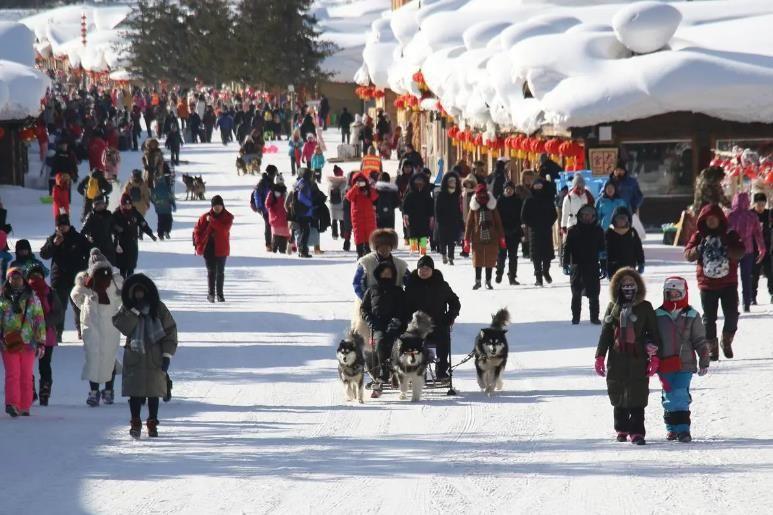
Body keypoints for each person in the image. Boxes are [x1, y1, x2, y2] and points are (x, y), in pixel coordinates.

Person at [594, 267, 661, 445]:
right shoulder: (612, 307)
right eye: (624, 285)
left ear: (638, 286)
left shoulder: (645, 307)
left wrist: (655, 357)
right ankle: (621, 428)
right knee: (618, 393)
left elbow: (654, 333)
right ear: (617, 287)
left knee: (638, 394)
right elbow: (606, 334)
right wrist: (600, 356)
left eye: (631, 284)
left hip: (638, 357)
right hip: (616, 358)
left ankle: (637, 432)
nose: (628, 288)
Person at [112, 273, 178, 438]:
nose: (139, 296)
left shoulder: (158, 308)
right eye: (136, 293)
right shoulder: (127, 309)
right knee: (134, 393)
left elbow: (170, 330)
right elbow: (122, 326)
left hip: (155, 356)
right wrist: (134, 311)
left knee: (154, 392)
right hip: (135, 355)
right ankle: (135, 422)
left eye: (142, 293)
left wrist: (167, 355)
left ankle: (152, 422)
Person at [684, 204, 745, 361]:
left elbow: (741, 251)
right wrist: (699, 249)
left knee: (732, 315)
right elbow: (688, 254)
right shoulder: (699, 236)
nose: (711, 221)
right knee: (709, 319)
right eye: (707, 219)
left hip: (728, 283)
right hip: (707, 284)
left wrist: (727, 248)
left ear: (720, 219)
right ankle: (712, 348)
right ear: (703, 220)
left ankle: (726, 340)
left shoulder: (729, 234)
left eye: (714, 218)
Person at [654, 276, 710, 443]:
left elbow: (700, 339)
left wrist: (704, 359)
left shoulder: (692, 315)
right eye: (669, 294)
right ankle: (671, 428)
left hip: (685, 363)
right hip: (664, 363)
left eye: (677, 293)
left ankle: (683, 430)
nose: (673, 297)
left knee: (680, 394)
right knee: (669, 396)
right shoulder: (657, 315)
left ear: (684, 293)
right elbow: (650, 337)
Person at [70, 249, 123, 407]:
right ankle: (106, 391)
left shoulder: (89, 281)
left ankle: (97, 392)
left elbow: (75, 296)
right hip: (100, 325)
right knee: (103, 357)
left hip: (96, 324)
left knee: (99, 358)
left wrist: (84, 309)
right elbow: (124, 298)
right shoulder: (112, 280)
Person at [404, 255, 460, 380]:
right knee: (414, 343)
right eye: (421, 268)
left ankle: (441, 370)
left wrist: (450, 316)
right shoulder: (411, 286)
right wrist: (407, 320)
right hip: (416, 326)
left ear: (432, 270)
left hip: (437, 324)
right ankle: (419, 371)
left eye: (427, 269)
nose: (423, 271)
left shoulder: (441, 285)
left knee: (443, 338)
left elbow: (455, 302)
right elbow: (403, 306)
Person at [1, 267, 46, 417]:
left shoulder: (32, 297)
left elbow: (39, 319)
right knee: (12, 374)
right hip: (8, 341)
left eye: (18, 277)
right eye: (13, 277)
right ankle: (12, 404)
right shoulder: (2, 297)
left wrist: (41, 341)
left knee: (26, 375)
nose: (16, 280)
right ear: (8, 279)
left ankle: (24, 405)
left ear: (24, 279)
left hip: (28, 342)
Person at [352, 229, 410, 342]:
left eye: (387, 246)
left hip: (394, 303)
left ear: (392, 246)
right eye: (381, 246)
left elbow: (409, 282)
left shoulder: (400, 264)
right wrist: (368, 299)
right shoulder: (366, 262)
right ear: (376, 246)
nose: (384, 249)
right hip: (370, 302)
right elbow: (357, 283)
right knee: (363, 330)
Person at [40, 214, 91, 341]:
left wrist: (83, 266)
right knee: (59, 306)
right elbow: (44, 254)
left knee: (79, 305)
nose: (62, 228)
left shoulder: (78, 237)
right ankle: (58, 333)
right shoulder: (53, 238)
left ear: (68, 225)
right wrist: (54, 244)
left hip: (76, 278)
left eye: (64, 225)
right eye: (59, 226)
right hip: (59, 278)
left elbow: (90, 251)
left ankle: (81, 331)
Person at [360, 261, 406, 391]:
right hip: (378, 325)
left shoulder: (398, 291)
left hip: (395, 325)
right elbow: (364, 309)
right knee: (380, 341)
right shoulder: (372, 290)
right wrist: (371, 321)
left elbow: (403, 309)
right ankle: (384, 372)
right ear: (379, 274)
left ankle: (396, 372)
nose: (386, 276)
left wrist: (397, 321)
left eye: (389, 273)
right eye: (384, 273)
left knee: (394, 343)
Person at [26, 263, 63, 406]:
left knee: (37, 365)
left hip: (38, 334)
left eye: (38, 275)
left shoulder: (48, 293)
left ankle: (38, 390)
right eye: (33, 276)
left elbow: (58, 313)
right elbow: (58, 314)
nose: (36, 278)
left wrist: (41, 322)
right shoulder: (29, 294)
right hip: (37, 334)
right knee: (36, 365)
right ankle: (37, 390)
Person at [563, 205, 604, 325]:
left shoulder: (598, 231)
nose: (587, 217)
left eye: (590, 215)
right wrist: (565, 263)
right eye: (584, 215)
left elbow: (602, 250)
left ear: (594, 217)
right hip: (577, 265)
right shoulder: (573, 230)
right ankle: (575, 317)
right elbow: (567, 249)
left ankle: (594, 317)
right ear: (580, 216)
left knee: (594, 293)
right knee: (576, 293)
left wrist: (604, 265)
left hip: (593, 265)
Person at [727, 191, 766, 312]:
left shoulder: (729, 216)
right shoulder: (752, 216)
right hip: (748, 249)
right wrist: (762, 249)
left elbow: (724, 233)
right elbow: (758, 235)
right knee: (746, 277)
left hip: (733, 249)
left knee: (731, 277)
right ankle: (746, 302)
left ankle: (733, 301)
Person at [193, 195, 234, 302]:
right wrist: (198, 242)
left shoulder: (228, 217)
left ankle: (220, 294)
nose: (217, 208)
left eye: (219, 205)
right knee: (211, 272)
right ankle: (211, 294)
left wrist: (211, 221)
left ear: (222, 205)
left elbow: (223, 229)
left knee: (220, 272)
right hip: (208, 248)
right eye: (215, 206)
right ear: (212, 206)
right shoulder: (204, 217)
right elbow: (197, 230)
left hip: (222, 248)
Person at [465, 184, 504, 290]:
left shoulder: (492, 206)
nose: (482, 195)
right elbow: (469, 224)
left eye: (483, 193)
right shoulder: (474, 207)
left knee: (490, 260)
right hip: (477, 237)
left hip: (492, 237)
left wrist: (501, 237)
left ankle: (488, 281)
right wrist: (466, 240)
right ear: (476, 194)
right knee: (478, 260)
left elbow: (498, 222)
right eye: (480, 193)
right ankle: (477, 281)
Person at [521, 178, 557, 286]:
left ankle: (546, 271)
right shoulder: (529, 200)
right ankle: (538, 277)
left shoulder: (548, 199)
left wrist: (548, 223)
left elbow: (554, 214)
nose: (538, 187)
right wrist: (531, 225)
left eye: (539, 185)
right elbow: (523, 216)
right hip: (534, 231)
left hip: (546, 229)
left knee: (547, 254)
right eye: (536, 185)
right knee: (536, 255)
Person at [113, 194, 156, 278]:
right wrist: (117, 229)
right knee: (123, 266)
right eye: (125, 205)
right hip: (121, 244)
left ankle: (129, 281)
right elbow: (110, 226)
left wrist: (150, 233)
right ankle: (122, 282)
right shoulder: (116, 214)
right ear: (122, 205)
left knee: (131, 265)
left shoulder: (135, 213)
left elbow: (143, 224)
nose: (128, 206)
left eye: (129, 204)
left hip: (133, 243)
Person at [605, 206, 645, 279]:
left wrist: (641, 262)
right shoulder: (610, 233)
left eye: (624, 218)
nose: (621, 221)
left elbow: (638, 248)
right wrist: (604, 265)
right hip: (613, 267)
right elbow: (605, 251)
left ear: (628, 220)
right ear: (614, 220)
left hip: (630, 266)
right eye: (618, 219)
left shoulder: (632, 232)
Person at [495, 181, 523, 284]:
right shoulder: (500, 200)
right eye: (507, 189)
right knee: (501, 255)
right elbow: (496, 217)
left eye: (510, 189)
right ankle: (499, 273)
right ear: (504, 190)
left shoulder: (518, 200)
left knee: (513, 256)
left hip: (514, 232)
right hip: (502, 233)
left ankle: (512, 277)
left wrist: (518, 227)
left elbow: (521, 216)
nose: (509, 190)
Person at [346, 171, 379, 257]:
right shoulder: (353, 190)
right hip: (357, 217)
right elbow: (348, 197)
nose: (360, 183)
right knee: (358, 235)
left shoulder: (369, 189)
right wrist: (355, 187)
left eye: (362, 181)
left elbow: (375, 196)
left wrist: (368, 191)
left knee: (369, 235)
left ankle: (368, 251)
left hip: (369, 217)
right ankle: (359, 253)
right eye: (358, 181)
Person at [434, 172, 463, 266]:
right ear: (446, 182)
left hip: (453, 221)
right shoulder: (441, 194)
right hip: (443, 221)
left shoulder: (456, 195)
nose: (452, 183)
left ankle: (451, 257)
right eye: (450, 181)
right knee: (443, 240)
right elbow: (437, 208)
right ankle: (444, 255)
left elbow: (458, 209)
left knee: (452, 241)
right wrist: (439, 219)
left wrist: (459, 220)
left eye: (454, 181)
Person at [402, 173, 434, 256]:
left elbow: (431, 207)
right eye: (417, 183)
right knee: (412, 235)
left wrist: (431, 217)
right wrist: (405, 216)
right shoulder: (409, 195)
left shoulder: (427, 195)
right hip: (412, 219)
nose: (419, 185)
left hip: (424, 219)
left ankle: (423, 250)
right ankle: (413, 249)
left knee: (423, 236)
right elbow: (405, 206)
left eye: (421, 183)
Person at [288, 169, 316, 258]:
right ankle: (303, 251)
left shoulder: (299, 182)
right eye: (311, 175)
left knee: (302, 231)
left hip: (299, 210)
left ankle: (301, 250)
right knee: (305, 231)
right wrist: (310, 203)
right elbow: (302, 197)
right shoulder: (305, 184)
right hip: (304, 211)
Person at [82, 195, 118, 265]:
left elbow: (115, 229)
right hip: (96, 247)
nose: (99, 206)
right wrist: (87, 237)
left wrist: (116, 242)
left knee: (109, 267)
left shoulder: (108, 215)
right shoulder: (90, 216)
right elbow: (83, 231)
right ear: (94, 205)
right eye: (97, 204)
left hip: (108, 247)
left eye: (101, 204)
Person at [751, 192, 772, 304]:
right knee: (753, 274)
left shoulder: (769, 214)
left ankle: (772, 293)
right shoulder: (750, 215)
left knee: (770, 273)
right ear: (754, 204)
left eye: (763, 204)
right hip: (754, 249)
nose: (761, 207)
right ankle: (752, 296)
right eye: (759, 204)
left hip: (768, 248)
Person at [251, 165, 277, 252]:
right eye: (274, 173)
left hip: (271, 208)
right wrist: (260, 207)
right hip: (264, 208)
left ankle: (273, 242)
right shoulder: (262, 183)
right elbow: (257, 195)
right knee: (268, 225)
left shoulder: (271, 182)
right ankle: (268, 244)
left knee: (273, 224)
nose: (275, 176)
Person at [266, 176, 291, 253]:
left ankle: (277, 251)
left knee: (277, 235)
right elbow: (268, 204)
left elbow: (267, 204)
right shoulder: (283, 192)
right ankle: (280, 251)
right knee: (281, 235)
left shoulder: (273, 192)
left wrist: (272, 210)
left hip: (277, 217)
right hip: (281, 217)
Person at [151, 171, 176, 241]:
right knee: (169, 220)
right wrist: (173, 204)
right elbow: (171, 197)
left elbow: (152, 198)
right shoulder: (167, 188)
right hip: (167, 208)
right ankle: (167, 231)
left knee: (160, 221)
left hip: (159, 209)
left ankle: (160, 234)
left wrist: (156, 203)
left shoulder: (155, 189)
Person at [327, 166, 348, 239]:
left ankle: (334, 234)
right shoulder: (344, 182)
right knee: (342, 220)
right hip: (341, 204)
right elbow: (346, 193)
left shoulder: (331, 182)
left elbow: (329, 193)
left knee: (334, 220)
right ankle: (343, 234)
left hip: (333, 204)